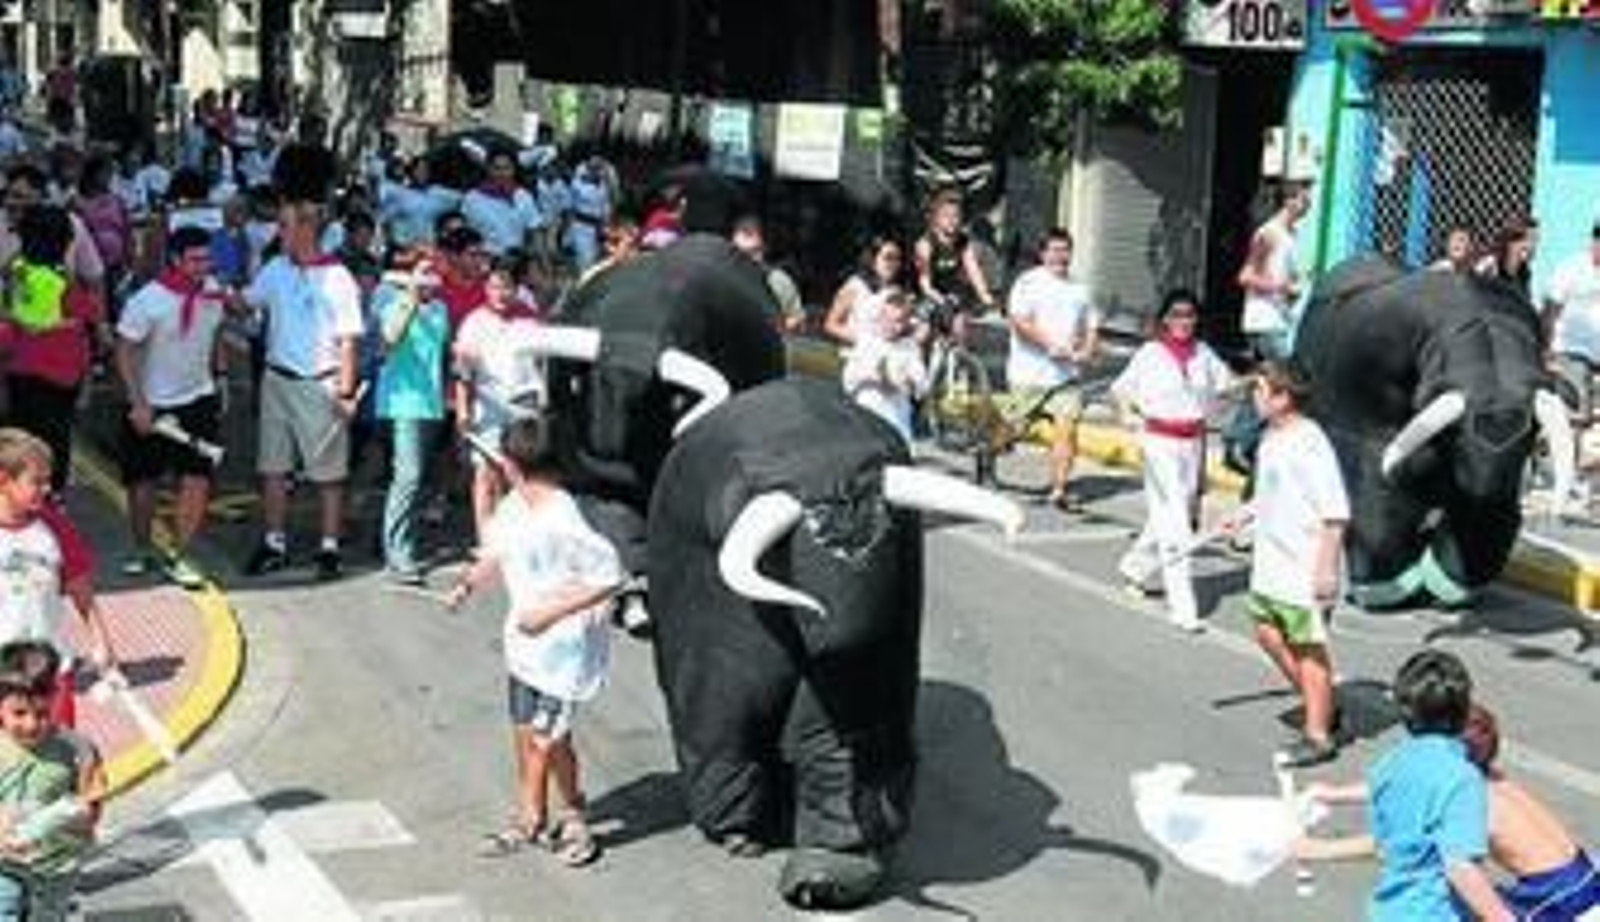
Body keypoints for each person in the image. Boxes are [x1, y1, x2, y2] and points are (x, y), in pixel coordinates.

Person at [444, 418, 624, 868]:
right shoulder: (515, 507)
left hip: (566, 654)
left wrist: (550, 613)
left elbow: (610, 576)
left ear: (510, 465)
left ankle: (538, 821)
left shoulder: (564, 519)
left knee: (545, 739)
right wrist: (467, 585)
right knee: (530, 735)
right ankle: (553, 813)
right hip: (526, 650)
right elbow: (495, 552)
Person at [1299, 703, 1598, 920]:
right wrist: (1334, 794)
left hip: (1558, 901)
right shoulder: (1487, 778)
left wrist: (1318, 849)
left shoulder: (1469, 802)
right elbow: (1411, 785)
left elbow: (1392, 845)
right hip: (1583, 879)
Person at [1321, 650, 1513, 920]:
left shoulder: (1393, 761)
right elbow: (1460, 867)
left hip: (1388, 910)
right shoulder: (1462, 778)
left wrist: (1330, 795)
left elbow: (1382, 833)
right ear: (1463, 711)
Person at [237, 201, 365, 579]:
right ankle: (274, 543)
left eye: (286, 226)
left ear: (307, 230)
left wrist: (345, 393)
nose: (279, 232)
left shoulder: (338, 277)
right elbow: (246, 302)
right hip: (277, 378)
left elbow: (348, 339)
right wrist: (209, 290)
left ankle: (329, 548)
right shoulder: (276, 268)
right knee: (273, 467)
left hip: (319, 382)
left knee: (328, 472)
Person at [113, 226, 228, 589]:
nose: (203, 267)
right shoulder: (148, 300)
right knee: (142, 482)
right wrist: (138, 402)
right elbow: (124, 350)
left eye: (207, 259)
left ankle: (180, 554)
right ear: (176, 260)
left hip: (198, 399)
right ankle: (142, 548)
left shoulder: (212, 292)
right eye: (195, 260)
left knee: (196, 479)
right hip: (152, 402)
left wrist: (221, 377)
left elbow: (216, 333)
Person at [1111, 290, 1234, 630]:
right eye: (1176, 314)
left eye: (1189, 314)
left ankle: (1135, 567)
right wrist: (1129, 418)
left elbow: (1227, 386)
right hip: (1158, 444)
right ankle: (1183, 607)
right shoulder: (1150, 354)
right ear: (1165, 319)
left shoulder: (1205, 354)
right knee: (1177, 522)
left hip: (1193, 444)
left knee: (1167, 514)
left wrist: (1260, 379)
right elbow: (1120, 391)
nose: (1183, 321)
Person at [1246, 360, 1347, 766]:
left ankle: (1318, 733)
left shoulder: (1310, 443)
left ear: (1283, 398)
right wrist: (1245, 513)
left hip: (1302, 564)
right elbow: (1270, 493)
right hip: (1271, 561)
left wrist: (1326, 568)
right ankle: (1321, 700)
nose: (1253, 398)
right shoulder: (1271, 437)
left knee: (1308, 646)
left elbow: (1335, 511)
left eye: (1259, 390)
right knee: (1267, 632)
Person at [0, 429, 118, 727]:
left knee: (61, 750)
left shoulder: (55, 527)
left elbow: (80, 587)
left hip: (51, 671)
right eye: (36, 481)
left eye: (48, 480)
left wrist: (101, 640)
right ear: (4, 480)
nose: (47, 488)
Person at [0, 640, 106, 922]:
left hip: (57, 866)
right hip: (4, 863)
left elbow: (92, 800)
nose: (32, 724)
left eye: (42, 713)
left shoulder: (78, 749)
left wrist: (75, 817)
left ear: (55, 699)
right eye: (19, 713)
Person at [0, 206, 103, 494]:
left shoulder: (17, 271)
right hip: (61, 372)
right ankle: (50, 496)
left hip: (19, 367)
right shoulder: (60, 281)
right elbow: (90, 313)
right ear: (64, 243)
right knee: (54, 440)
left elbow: (9, 304)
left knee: (21, 437)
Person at [454, 255, 545, 547]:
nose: (500, 294)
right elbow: (462, 370)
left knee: (521, 475)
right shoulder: (474, 322)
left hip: (525, 407)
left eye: (506, 287)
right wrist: (463, 409)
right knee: (485, 475)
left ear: (517, 288)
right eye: (493, 287)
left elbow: (543, 364)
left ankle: (520, 540)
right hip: (487, 408)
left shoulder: (530, 318)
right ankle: (487, 543)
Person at [1007, 228, 1100, 510]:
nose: (1061, 256)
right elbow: (1020, 323)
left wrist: (1088, 350)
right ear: (1043, 253)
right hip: (1029, 376)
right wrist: (1050, 345)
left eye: (1066, 250)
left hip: (1065, 377)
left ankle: (1059, 489)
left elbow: (1092, 325)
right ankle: (989, 452)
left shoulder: (1079, 288)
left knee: (1066, 430)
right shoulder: (1028, 282)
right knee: (1012, 431)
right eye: (1055, 250)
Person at [374, 251, 450, 585]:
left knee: (415, 480)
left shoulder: (441, 308)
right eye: (423, 271)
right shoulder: (392, 302)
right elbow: (389, 340)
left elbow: (440, 353)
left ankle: (393, 541)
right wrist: (410, 298)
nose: (430, 278)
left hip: (431, 403)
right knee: (408, 476)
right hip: (402, 402)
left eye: (433, 272)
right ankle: (397, 556)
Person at [840, 288, 927, 443]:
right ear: (879, 317)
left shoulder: (909, 348)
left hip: (896, 423)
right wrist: (873, 377)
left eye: (897, 321)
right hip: (867, 419)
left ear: (905, 323)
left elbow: (921, 386)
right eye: (886, 319)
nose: (890, 325)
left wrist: (907, 383)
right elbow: (848, 380)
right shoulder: (867, 342)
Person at [1237, 181, 1310, 361]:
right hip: (1265, 321)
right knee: (1290, 373)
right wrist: (1281, 287)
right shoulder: (1269, 233)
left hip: (1279, 321)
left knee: (1273, 376)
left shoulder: (1292, 234)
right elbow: (1246, 276)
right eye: (1304, 199)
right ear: (1288, 201)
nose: (1309, 204)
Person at [1541, 222, 1600, 439]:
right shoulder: (1571, 268)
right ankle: (1565, 456)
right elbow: (1549, 310)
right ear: (1593, 241)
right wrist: (1544, 348)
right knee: (1575, 416)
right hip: (1573, 352)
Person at [913, 189, 996, 341]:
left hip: (953, 294)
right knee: (923, 333)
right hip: (928, 295)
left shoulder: (963, 242)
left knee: (961, 327)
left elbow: (974, 272)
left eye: (956, 216)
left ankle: (955, 353)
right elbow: (925, 284)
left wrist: (987, 298)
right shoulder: (926, 244)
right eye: (946, 216)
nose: (952, 220)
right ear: (936, 218)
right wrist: (941, 301)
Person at [823, 235, 904, 346]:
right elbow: (830, 325)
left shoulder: (896, 291)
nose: (894, 264)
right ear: (873, 259)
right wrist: (861, 340)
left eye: (897, 259)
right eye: (888, 258)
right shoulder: (855, 286)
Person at [730, 214, 804, 333]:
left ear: (763, 249)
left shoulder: (779, 281)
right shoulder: (721, 278)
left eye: (753, 252)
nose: (746, 259)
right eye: (739, 253)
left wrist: (774, 329)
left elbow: (797, 318)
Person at [462, 150, 543, 257]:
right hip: (483, 260)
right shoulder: (472, 199)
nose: (502, 174)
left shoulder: (523, 197)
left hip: (518, 260)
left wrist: (536, 257)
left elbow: (535, 232)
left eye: (507, 168)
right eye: (497, 168)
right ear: (488, 169)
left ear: (514, 170)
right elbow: (466, 235)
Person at [1476, 218, 1537, 302]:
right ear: (1513, 241)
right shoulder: (1489, 265)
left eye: (1535, 240)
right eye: (1530, 239)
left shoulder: (1524, 274)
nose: (1533, 246)